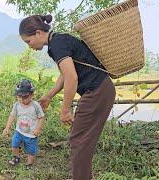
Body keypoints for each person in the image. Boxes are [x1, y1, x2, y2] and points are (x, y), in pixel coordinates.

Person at [19, 15, 116, 180]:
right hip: (100, 90)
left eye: (28, 42)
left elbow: (72, 77)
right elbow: (65, 75)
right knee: (81, 142)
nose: (30, 46)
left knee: (79, 142)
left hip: (96, 91)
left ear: (38, 33)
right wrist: (49, 95)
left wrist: (65, 110)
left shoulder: (57, 44)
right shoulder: (58, 41)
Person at [2, 79, 45, 166]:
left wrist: (38, 129)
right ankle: (16, 157)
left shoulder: (35, 106)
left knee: (31, 151)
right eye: (19, 96)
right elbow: (12, 116)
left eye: (25, 97)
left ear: (32, 94)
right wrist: (7, 127)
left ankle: (29, 164)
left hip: (31, 134)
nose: (21, 99)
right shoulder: (17, 105)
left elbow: (41, 117)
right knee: (14, 144)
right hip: (19, 131)